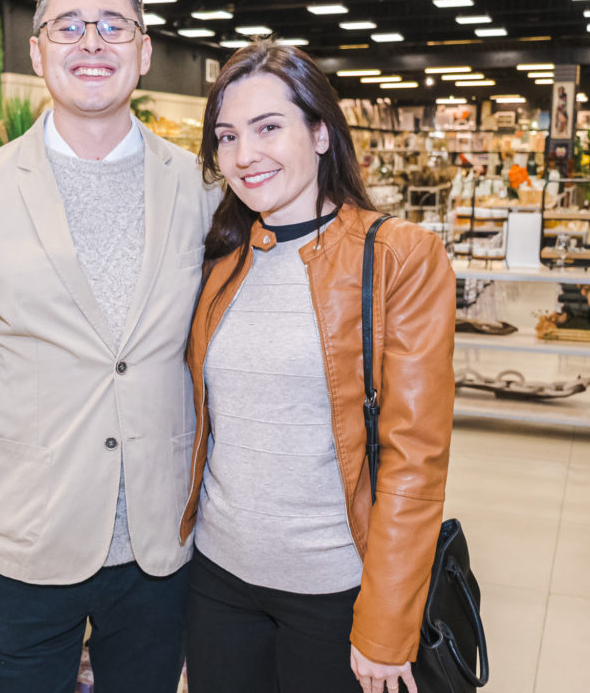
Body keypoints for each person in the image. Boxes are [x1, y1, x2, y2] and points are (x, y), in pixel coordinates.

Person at [0, 0, 218, 691]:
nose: (91, 43)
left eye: (113, 26)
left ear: (143, 52)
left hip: (160, 545)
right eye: (69, 25)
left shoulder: (203, 189)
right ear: (37, 49)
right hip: (24, 544)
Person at [181, 40, 455, 693]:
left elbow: (417, 456)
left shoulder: (398, 258)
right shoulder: (221, 259)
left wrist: (387, 625)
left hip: (335, 590)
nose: (244, 156)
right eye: (226, 136)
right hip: (218, 582)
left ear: (321, 132)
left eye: (268, 127)